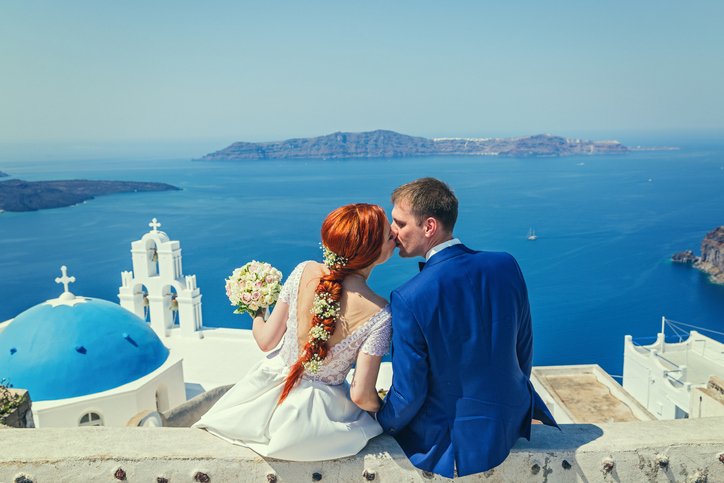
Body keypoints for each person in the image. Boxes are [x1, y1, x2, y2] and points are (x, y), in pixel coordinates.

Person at [376, 178, 558, 478]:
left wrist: (380, 422)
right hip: (510, 420)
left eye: (399, 222)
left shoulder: (408, 297)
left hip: (456, 444)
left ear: (429, 226)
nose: (392, 231)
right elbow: (523, 349)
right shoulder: (506, 264)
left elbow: (410, 392)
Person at [194, 203, 396, 461]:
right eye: (389, 235)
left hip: (261, 402)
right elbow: (361, 395)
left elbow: (266, 341)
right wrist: (383, 411)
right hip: (318, 420)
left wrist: (255, 309)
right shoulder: (380, 313)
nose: (395, 235)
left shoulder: (304, 270)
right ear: (372, 252)